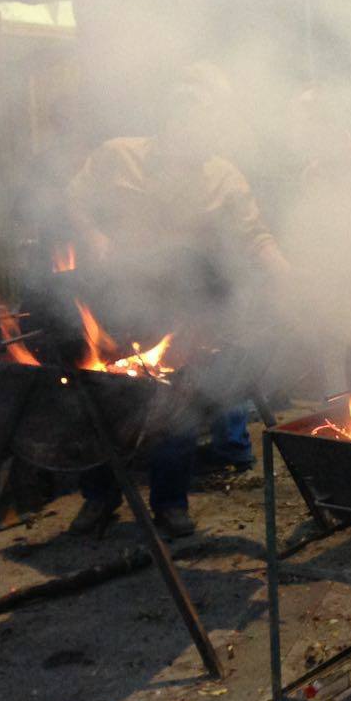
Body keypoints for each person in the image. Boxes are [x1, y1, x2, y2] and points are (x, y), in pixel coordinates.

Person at [65, 67, 289, 537]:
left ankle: (170, 502)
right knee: (101, 396)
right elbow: (75, 200)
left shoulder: (223, 176)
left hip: (179, 305)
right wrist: (95, 236)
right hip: (118, 298)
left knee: (175, 394)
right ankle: (100, 496)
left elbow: (254, 237)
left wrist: (290, 276)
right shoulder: (116, 156)